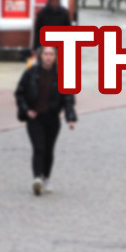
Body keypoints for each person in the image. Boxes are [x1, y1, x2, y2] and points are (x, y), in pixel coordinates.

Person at [14, 46, 76, 196]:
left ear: (55, 57)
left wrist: (70, 118)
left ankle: (46, 178)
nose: (48, 57)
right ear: (41, 56)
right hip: (35, 118)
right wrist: (26, 109)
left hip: (52, 118)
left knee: (49, 150)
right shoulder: (30, 73)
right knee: (38, 148)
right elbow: (19, 93)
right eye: (46, 54)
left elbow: (68, 98)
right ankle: (37, 179)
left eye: (51, 54)